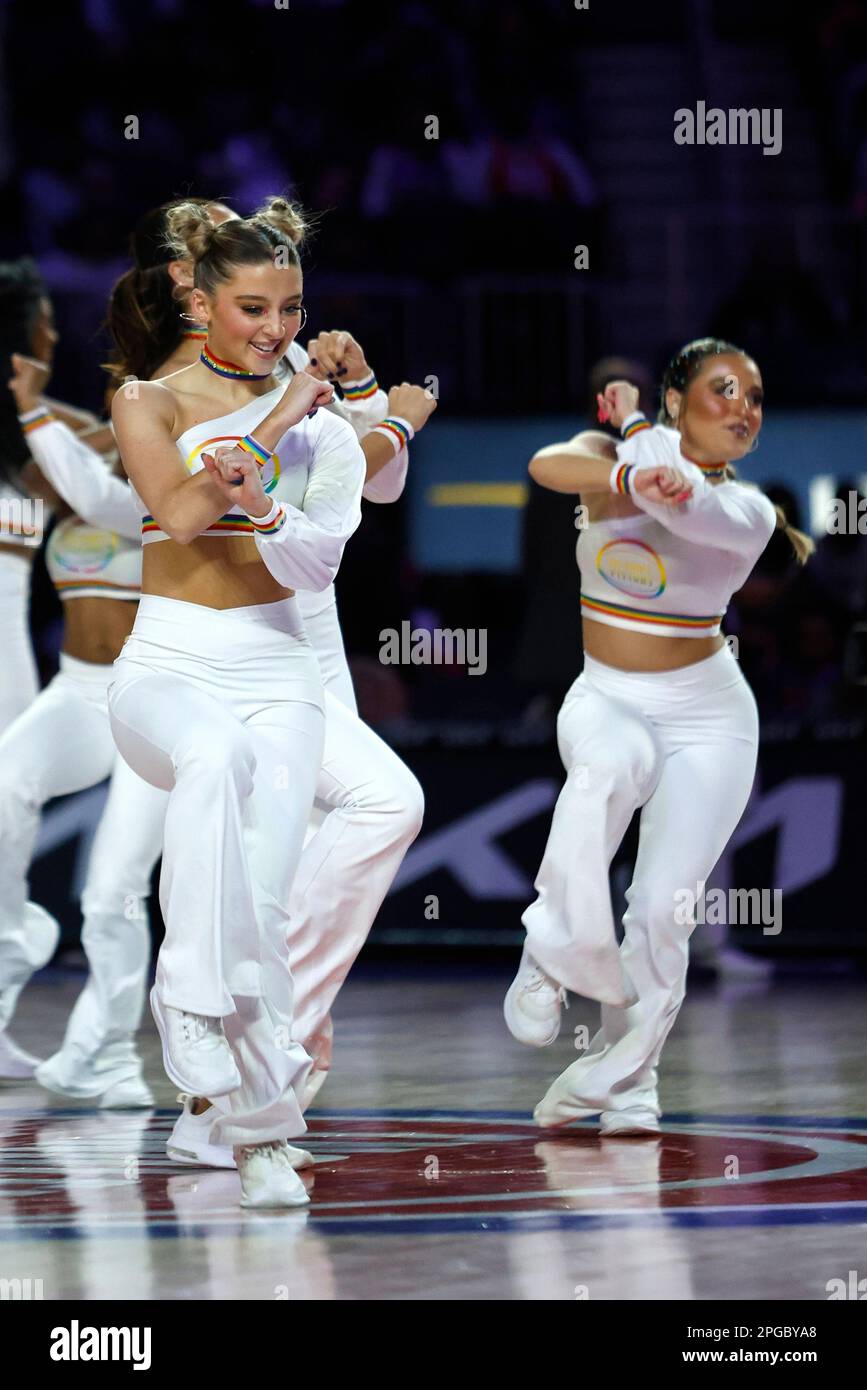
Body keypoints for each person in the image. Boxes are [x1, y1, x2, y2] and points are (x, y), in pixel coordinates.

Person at [108, 196, 368, 1206]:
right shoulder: (147, 399)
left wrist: (267, 488)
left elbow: (313, 562)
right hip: (166, 665)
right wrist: (277, 418)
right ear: (203, 302)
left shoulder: (324, 424)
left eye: (291, 308)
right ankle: (185, 1003)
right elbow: (175, 516)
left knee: (262, 902)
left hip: (277, 667)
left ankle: (258, 1133)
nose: (274, 330)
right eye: (253, 308)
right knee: (212, 756)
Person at [503, 338, 813, 1135]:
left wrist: (644, 430)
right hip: (605, 693)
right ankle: (548, 949)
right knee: (608, 766)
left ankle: (625, 1081)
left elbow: (688, 508)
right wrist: (626, 463)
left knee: (662, 911)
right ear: (678, 401)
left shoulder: (745, 510)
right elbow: (548, 466)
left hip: (710, 713)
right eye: (723, 390)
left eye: (753, 396)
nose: (744, 408)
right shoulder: (607, 456)